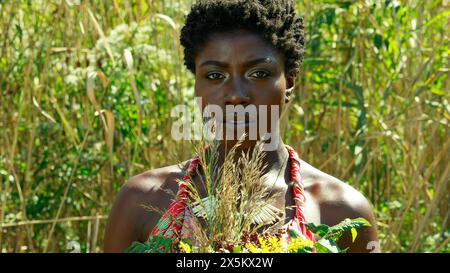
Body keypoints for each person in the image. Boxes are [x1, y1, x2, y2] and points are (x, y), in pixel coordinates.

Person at [104, 0, 379, 253]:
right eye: (215, 75)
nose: (235, 94)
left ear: (290, 83)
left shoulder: (339, 211)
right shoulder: (142, 201)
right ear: (197, 86)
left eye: (258, 74)